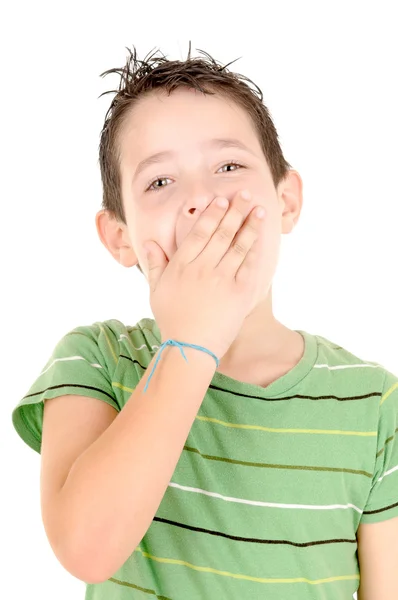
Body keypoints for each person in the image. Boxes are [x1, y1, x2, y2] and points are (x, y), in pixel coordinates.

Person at [11, 44, 398, 599]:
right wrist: (192, 340)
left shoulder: (375, 403)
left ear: (286, 201)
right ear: (120, 237)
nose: (200, 200)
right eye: (160, 182)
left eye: (229, 166)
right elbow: (86, 550)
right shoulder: (95, 359)